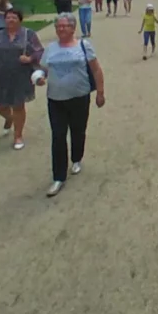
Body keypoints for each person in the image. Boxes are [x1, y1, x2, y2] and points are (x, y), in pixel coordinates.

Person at [35, 13, 106, 197]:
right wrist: (40, 77)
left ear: (73, 28)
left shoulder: (83, 46)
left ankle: (76, 158)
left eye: (65, 26)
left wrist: (100, 92)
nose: (61, 29)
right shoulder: (50, 48)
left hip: (79, 96)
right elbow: (42, 69)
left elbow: (96, 69)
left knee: (78, 129)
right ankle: (58, 177)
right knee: (58, 136)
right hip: (55, 99)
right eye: (58, 26)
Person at [0, 8, 43, 150]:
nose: (11, 20)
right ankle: (9, 118)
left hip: (20, 75)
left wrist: (30, 58)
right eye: (8, 17)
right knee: (1, 106)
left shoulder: (28, 34)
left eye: (14, 17)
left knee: (18, 105)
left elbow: (39, 50)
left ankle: (18, 135)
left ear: (20, 20)